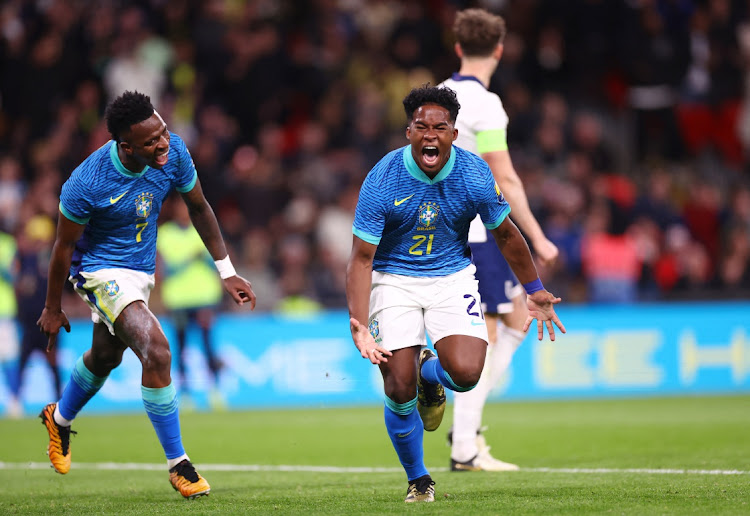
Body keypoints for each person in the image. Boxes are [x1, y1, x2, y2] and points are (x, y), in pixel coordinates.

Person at [346, 84, 565, 503]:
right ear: (408, 132)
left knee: (466, 375)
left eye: (440, 127)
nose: (431, 135)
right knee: (397, 386)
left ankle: (432, 373)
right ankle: (418, 479)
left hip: (452, 277)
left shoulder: (474, 173)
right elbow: (360, 258)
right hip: (393, 279)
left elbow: (505, 233)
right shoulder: (381, 178)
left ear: (454, 133)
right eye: (421, 126)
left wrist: (534, 290)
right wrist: (359, 325)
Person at [36, 91, 256, 499]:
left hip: (141, 270)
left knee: (105, 356)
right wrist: (52, 307)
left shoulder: (173, 153)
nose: (163, 144)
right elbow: (62, 248)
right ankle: (180, 465)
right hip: (99, 270)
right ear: (126, 146)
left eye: (165, 132)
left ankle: (59, 418)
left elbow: (199, 207)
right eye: (152, 141)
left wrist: (226, 271)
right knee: (157, 350)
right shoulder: (87, 181)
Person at [439, 8, 560, 472]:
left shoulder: (439, 96)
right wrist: (538, 236)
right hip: (476, 232)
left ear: (457, 49)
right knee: (488, 336)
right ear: (500, 50)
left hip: (452, 228)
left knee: (515, 321)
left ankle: (466, 430)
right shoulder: (486, 105)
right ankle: (465, 447)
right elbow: (504, 177)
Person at [156, 197, 225, 411]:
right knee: (181, 348)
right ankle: (185, 395)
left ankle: (215, 391)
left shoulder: (202, 229)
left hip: (204, 297)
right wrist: (189, 259)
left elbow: (217, 260)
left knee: (207, 346)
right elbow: (163, 270)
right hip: (178, 299)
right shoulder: (165, 234)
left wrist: (203, 259)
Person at [8, 215, 61, 418]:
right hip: (30, 322)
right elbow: (18, 285)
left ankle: (59, 403)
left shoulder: (54, 260)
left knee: (53, 364)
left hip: (49, 322)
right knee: (23, 362)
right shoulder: (23, 259)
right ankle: (16, 400)